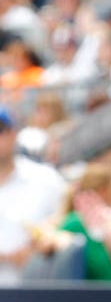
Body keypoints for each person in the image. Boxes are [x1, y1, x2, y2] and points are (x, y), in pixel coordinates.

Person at [0, 105, 66, 284]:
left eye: (0, 130)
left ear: (13, 134)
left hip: (34, 294)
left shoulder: (46, 179)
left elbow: (66, 226)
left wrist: (39, 245)